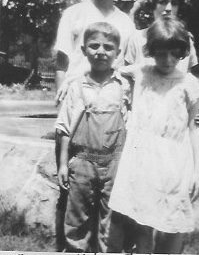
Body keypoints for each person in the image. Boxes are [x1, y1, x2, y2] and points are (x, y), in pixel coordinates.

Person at [53, 0, 135, 251]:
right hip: (77, 108)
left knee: (108, 193)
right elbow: (62, 64)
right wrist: (63, 104)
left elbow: (127, 71)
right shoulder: (73, 14)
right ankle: (68, 246)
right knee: (71, 187)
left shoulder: (125, 23)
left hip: (110, 111)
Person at [109, 16, 199, 254]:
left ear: (183, 52)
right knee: (140, 223)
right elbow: (110, 69)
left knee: (171, 224)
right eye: (161, 53)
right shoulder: (142, 72)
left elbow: (194, 128)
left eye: (174, 53)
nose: (168, 60)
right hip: (141, 159)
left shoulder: (188, 83)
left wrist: (197, 171)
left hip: (174, 162)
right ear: (151, 50)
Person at [55, 22, 131, 252]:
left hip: (116, 162)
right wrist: (63, 165)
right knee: (77, 220)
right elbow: (64, 129)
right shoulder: (76, 87)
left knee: (112, 223)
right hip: (82, 163)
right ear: (83, 50)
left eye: (108, 47)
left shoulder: (125, 86)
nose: (101, 51)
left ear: (118, 53)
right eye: (94, 45)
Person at [125, 0, 198, 74]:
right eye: (163, 2)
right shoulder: (137, 38)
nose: (168, 8)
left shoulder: (185, 39)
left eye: (174, 4)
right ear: (153, 5)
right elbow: (127, 75)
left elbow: (187, 76)